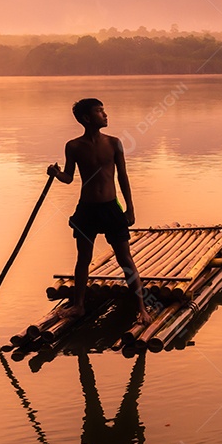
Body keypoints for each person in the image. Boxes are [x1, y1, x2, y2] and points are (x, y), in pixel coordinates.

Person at [48, 98, 152, 324]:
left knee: (125, 257)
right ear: (86, 118)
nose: (105, 115)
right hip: (86, 210)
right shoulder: (73, 146)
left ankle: (142, 309)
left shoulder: (114, 143)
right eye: (99, 111)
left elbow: (123, 176)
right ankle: (79, 306)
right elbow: (68, 178)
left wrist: (130, 208)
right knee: (83, 258)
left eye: (104, 110)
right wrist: (56, 174)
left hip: (110, 208)